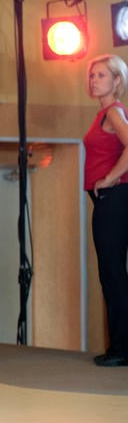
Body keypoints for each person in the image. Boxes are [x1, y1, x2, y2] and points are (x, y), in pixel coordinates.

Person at [83, 54, 128, 367]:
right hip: (109, 199)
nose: (94, 80)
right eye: (92, 75)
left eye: (101, 75)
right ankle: (120, 346)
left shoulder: (114, 112)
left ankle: (121, 349)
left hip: (114, 198)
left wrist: (109, 178)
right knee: (111, 273)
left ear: (116, 81)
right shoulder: (105, 114)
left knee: (113, 274)